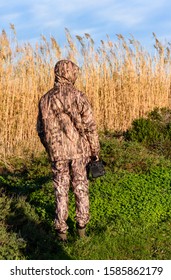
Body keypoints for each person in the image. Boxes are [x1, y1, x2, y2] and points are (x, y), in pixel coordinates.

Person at [37, 60, 100, 241]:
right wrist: (95, 151)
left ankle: (61, 232)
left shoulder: (45, 99)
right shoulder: (79, 96)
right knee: (80, 188)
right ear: (70, 73)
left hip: (57, 154)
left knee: (60, 190)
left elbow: (41, 130)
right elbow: (90, 127)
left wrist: (51, 148)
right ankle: (81, 229)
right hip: (80, 152)